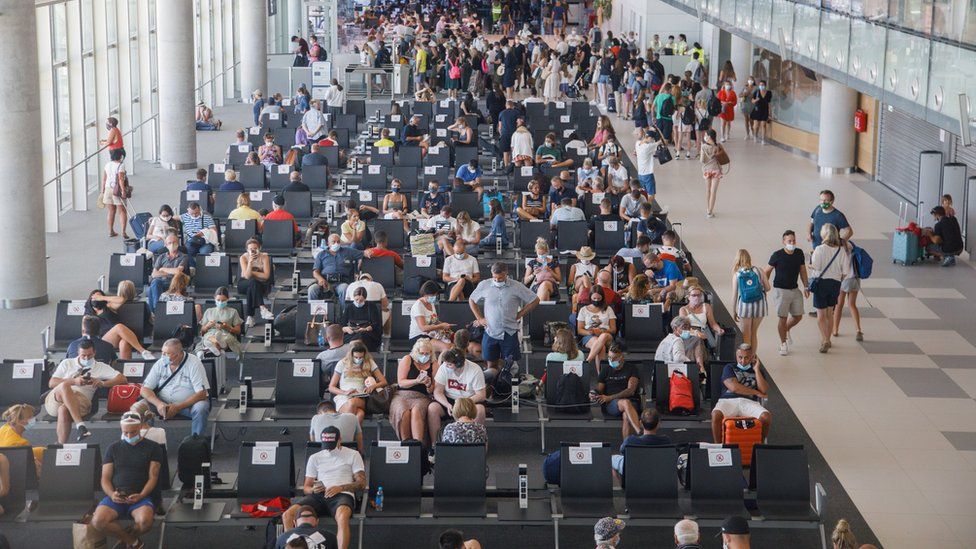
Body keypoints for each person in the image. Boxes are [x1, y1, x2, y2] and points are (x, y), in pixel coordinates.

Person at [91, 412, 164, 549]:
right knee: (97, 521)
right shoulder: (113, 448)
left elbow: (153, 477)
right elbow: (105, 478)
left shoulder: (154, 448)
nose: (129, 436)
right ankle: (133, 542)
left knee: (144, 522)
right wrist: (112, 494)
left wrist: (141, 495)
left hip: (141, 496)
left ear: (140, 428)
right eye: (126, 433)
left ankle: (126, 539)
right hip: (117, 496)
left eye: (133, 432)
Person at [285, 426, 365, 549]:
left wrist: (340, 488)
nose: (328, 449)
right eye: (326, 445)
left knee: (342, 517)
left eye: (331, 445)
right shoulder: (315, 457)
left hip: (342, 495)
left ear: (339, 440)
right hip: (319, 496)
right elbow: (306, 487)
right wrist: (313, 490)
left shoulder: (353, 454)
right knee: (288, 515)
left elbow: (361, 483)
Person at [47, 340, 125, 443]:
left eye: (89, 355)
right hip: (56, 400)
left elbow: (122, 379)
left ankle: (61, 446)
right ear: (78, 353)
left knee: (64, 409)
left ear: (94, 353)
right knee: (64, 385)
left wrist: (102, 383)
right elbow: (52, 383)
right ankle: (80, 425)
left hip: (80, 401)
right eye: (83, 355)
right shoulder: (67, 363)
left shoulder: (100, 367)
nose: (86, 358)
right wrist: (74, 381)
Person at [470, 262, 539, 374]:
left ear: (506, 274)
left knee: (510, 366)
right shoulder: (484, 284)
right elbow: (472, 300)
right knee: (491, 365)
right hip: (490, 332)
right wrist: (479, 318)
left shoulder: (516, 286)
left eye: (500, 278)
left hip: (509, 332)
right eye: (494, 277)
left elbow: (535, 300)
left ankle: (507, 386)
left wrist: (521, 313)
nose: (497, 280)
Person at [139, 339, 211, 435]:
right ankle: (145, 440)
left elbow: (202, 394)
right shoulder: (160, 363)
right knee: (140, 407)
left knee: (201, 408)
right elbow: (145, 389)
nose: (163, 356)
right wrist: (159, 404)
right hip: (163, 404)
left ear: (178, 354)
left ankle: (197, 441)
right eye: (162, 352)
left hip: (188, 405)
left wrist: (178, 407)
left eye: (167, 354)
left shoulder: (194, 363)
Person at [712, 344, 771, 443]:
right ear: (736, 356)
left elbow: (764, 390)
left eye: (747, 357)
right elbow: (734, 388)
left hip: (749, 402)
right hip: (729, 400)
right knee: (716, 415)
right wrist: (756, 392)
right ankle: (718, 446)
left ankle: (760, 445)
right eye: (740, 357)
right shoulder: (729, 367)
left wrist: (756, 370)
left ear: (752, 357)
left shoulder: (758, 371)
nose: (743, 361)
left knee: (766, 417)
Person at [428, 349, 487, 447]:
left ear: (459, 364)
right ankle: (435, 445)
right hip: (450, 401)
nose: (446, 366)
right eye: (446, 363)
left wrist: (462, 403)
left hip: (469, 400)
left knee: (480, 410)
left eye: (450, 364)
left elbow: (481, 395)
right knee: (432, 408)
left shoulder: (475, 369)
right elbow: (437, 392)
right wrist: (447, 404)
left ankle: (477, 446)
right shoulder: (444, 368)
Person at [764, 230, 810, 356]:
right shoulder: (777, 255)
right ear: (784, 241)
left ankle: (786, 330)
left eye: (794, 240)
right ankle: (783, 343)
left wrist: (806, 286)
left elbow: (803, 271)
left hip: (794, 290)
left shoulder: (799, 253)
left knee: (798, 316)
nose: (792, 243)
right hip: (781, 291)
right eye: (789, 241)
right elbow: (767, 271)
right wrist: (764, 286)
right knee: (783, 318)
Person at [810, 224, 851, 353]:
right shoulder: (841, 250)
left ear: (825, 234)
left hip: (821, 283)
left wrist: (810, 265)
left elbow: (815, 267)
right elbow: (845, 271)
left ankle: (825, 340)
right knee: (830, 313)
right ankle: (828, 338)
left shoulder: (819, 249)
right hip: (835, 284)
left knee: (821, 315)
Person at [390, 339, 438, 446]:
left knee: (417, 411)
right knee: (404, 412)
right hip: (402, 395)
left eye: (427, 353)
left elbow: (432, 390)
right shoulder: (407, 359)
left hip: (422, 396)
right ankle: (405, 444)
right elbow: (401, 382)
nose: (424, 356)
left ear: (431, 353)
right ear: (416, 352)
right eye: (422, 353)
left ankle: (418, 446)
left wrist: (428, 384)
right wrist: (416, 381)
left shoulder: (434, 364)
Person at [328, 343, 387, 425]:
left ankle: (344, 434)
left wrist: (373, 386)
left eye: (361, 357)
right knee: (360, 414)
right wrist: (345, 392)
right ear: (351, 355)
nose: (358, 359)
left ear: (364, 356)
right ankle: (353, 437)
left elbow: (384, 382)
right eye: (356, 357)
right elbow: (331, 387)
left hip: (360, 396)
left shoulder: (369, 362)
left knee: (352, 402)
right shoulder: (342, 363)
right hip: (343, 396)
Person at [592, 345, 641, 439]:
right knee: (625, 403)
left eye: (614, 358)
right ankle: (639, 430)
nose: (611, 360)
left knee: (626, 414)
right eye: (609, 357)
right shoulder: (606, 370)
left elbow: (630, 391)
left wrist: (610, 397)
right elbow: (599, 389)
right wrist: (593, 393)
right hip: (612, 405)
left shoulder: (631, 368)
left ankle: (626, 448)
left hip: (631, 402)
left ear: (621, 357)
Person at [611, 408, 672, 476]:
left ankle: (624, 485)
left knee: (611, 459)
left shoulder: (630, 441)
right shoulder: (666, 441)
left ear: (641, 423)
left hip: (635, 471)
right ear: (658, 424)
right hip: (657, 473)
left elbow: (622, 451)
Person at [732, 249, 770, 354]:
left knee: (746, 335)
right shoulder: (759, 270)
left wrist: (734, 311)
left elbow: (734, 296)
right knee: (754, 333)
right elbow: (768, 288)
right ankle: (752, 357)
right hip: (760, 305)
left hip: (745, 307)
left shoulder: (737, 275)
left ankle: (746, 360)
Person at [309, 234, 364, 304]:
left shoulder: (348, 251)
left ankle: (344, 313)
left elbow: (364, 253)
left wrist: (362, 258)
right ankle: (314, 313)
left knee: (345, 288)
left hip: (341, 282)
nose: (336, 244)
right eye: (333, 242)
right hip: (324, 283)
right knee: (312, 289)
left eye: (338, 242)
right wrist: (320, 279)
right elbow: (315, 272)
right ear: (328, 244)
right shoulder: (321, 254)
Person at [145, 234, 190, 313]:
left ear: (178, 243)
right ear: (165, 245)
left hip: (175, 282)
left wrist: (163, 269)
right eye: (169, 243)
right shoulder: (161, 257)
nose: (172, 245)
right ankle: (158, 309)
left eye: (174, 242)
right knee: (154, 283)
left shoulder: (184, 256)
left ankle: (157, 311)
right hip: (160, 282)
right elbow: (154, 274)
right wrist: (170, 272)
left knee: (152, 288)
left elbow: (178, 271)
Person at [577, 287, 617, 372]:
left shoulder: (608, 309)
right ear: (590, 297)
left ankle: (587, 361)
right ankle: (600, 376)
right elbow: (580, 330)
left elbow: (613, 329)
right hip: (590, 336)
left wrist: (602, 331)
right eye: (594, 298)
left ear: (602, 297)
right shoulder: (583, 310)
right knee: (600, 347)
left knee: (603, 336)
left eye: (599, 298)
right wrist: (591, 332)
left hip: (607, 335)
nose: (596, 300)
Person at [237, 238, 275, 327]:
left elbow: (266, 276)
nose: (253, 251)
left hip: (260, 284)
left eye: (255, 248)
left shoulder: (264, 257)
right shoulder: (243, 257)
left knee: (252, 284)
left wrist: (251, 272)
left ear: (259, 248)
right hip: (243, 283)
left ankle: (250, 317)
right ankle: (262, 308)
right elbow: (246, 277)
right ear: (247, 250)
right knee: (252, 282)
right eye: (251, 249)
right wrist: (250, 262)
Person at [196, 287, 243, 358]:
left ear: (228, 299)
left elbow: (238, 331)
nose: (220, 302)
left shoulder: (233, 311)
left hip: (225, 333)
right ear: (214, 298)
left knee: (223, 338)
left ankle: (214, 346)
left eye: (223, 300)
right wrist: (207, 326)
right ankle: (219, 347)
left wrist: (227, 327)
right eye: (218, 300)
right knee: (209, 337)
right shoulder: (209, 311)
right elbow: (202, 332)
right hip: (211, 334)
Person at [0, 404, 43, 477]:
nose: (34, 419)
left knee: (41, 450)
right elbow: (35, 470)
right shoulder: (22, 444)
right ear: (20, 421)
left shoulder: (4, 428)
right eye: (31, 417)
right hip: (13, 473)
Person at [100, 149, 128, 238]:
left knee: (111, 211)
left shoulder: (107, 165)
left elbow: (104, 179)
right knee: (122, 211)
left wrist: (102, 191)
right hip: (117, 190)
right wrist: (123, 191)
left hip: (108, 189)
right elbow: (120, 179)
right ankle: (123, 232)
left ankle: (111, 231)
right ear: (121, 156)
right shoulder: (121, 165)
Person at [699, 129, 724, 218]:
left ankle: (707, 208)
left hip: (706, 171)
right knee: (714, 192)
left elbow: (702, 160)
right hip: (716, 170)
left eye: (706, 135)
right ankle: (710, 211)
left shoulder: (704, 147)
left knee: (708, 190)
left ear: (709, 137)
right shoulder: (718, 146)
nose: (705, 136)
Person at [634, 127, 660, 200]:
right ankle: (648, 209)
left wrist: (651, 131)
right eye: (652, 139)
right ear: (650, 138)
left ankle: (643, 207)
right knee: (651, 194)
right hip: (648, 174)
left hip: (640, 173)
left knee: (642, 192)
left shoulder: (637, 143)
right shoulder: (648, 147)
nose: (652, 141)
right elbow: (661, 141)